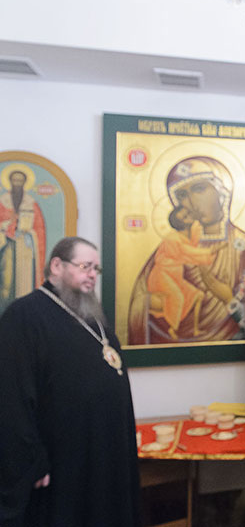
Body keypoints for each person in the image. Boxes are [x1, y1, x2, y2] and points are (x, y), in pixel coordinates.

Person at [0, 237, 140, 527]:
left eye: (95, 269)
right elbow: (11, 397)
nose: (92, 275)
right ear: (56, 266)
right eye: (85, 266)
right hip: (63, 459)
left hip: (103, 450)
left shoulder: (92, 316)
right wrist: (32, 459)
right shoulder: (24, 316)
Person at [128, 156, 245, 344]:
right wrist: (156, 302)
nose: (192, 202)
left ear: (222, 191)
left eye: (199, 189)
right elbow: (139, 302)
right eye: (182, 195)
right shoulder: (172, 246)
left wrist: (228, 298)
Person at [146, 206, 222, 340]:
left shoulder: (188, 235)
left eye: (187, 213)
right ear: (180, 223)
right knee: (178, 298)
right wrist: (208, 251)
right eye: (185, 217)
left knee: (198, 295)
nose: (189, 217)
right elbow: (187, 252)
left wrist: (209, 256)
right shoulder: (172, 238)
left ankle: (195, 329)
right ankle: (173, 329)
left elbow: (189, 256)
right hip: (162, 276)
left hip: (175, 277)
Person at [0, 169, 47, 314]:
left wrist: (27, 231)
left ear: (25, 183)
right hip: (5, 246)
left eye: (20, 181)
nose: (17, 184)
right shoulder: (2, 202)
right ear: (10, 182)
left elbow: (39, 229)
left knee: (24, 284)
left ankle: (22, 313)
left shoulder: (31, 203)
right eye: (15, 180)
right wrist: (8, 225)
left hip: (24, 248)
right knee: (6, 281)